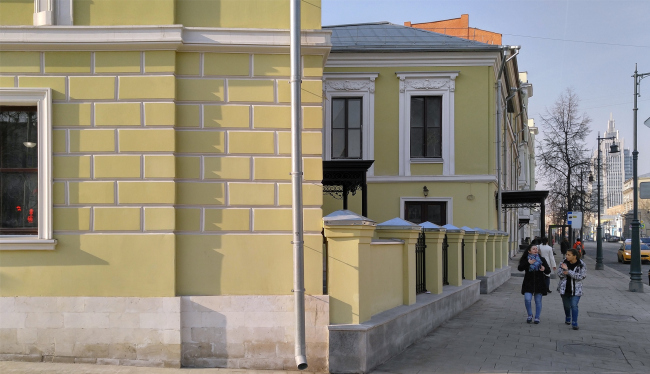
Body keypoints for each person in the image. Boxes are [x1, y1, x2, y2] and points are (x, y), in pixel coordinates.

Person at [518, 244, 551, 324]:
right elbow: (520, 268)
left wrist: (544, 269)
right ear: (529, 251)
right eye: (533, 249)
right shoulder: (526, 259)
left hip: (539, 282)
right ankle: (530, 315)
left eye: (536, 249)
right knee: (527, 299)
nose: (536, 250)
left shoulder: (541, 259)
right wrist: (528, 263)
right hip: (528, 282)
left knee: (538, 301)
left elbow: (548, 271)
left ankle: (537, 317)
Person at [557, 248, 587, 330]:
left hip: (576, 289)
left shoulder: (581, 265)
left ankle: (574, 322)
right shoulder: (563, 263)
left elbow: (581, 276)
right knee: (567, 306)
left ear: (574, 256)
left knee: (574, 305)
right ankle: (568, 316)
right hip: (564, 288)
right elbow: (559, 274)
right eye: (566, 254)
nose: (566, 256)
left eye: (569, 255)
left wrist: (568, 271)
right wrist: (564, 271)